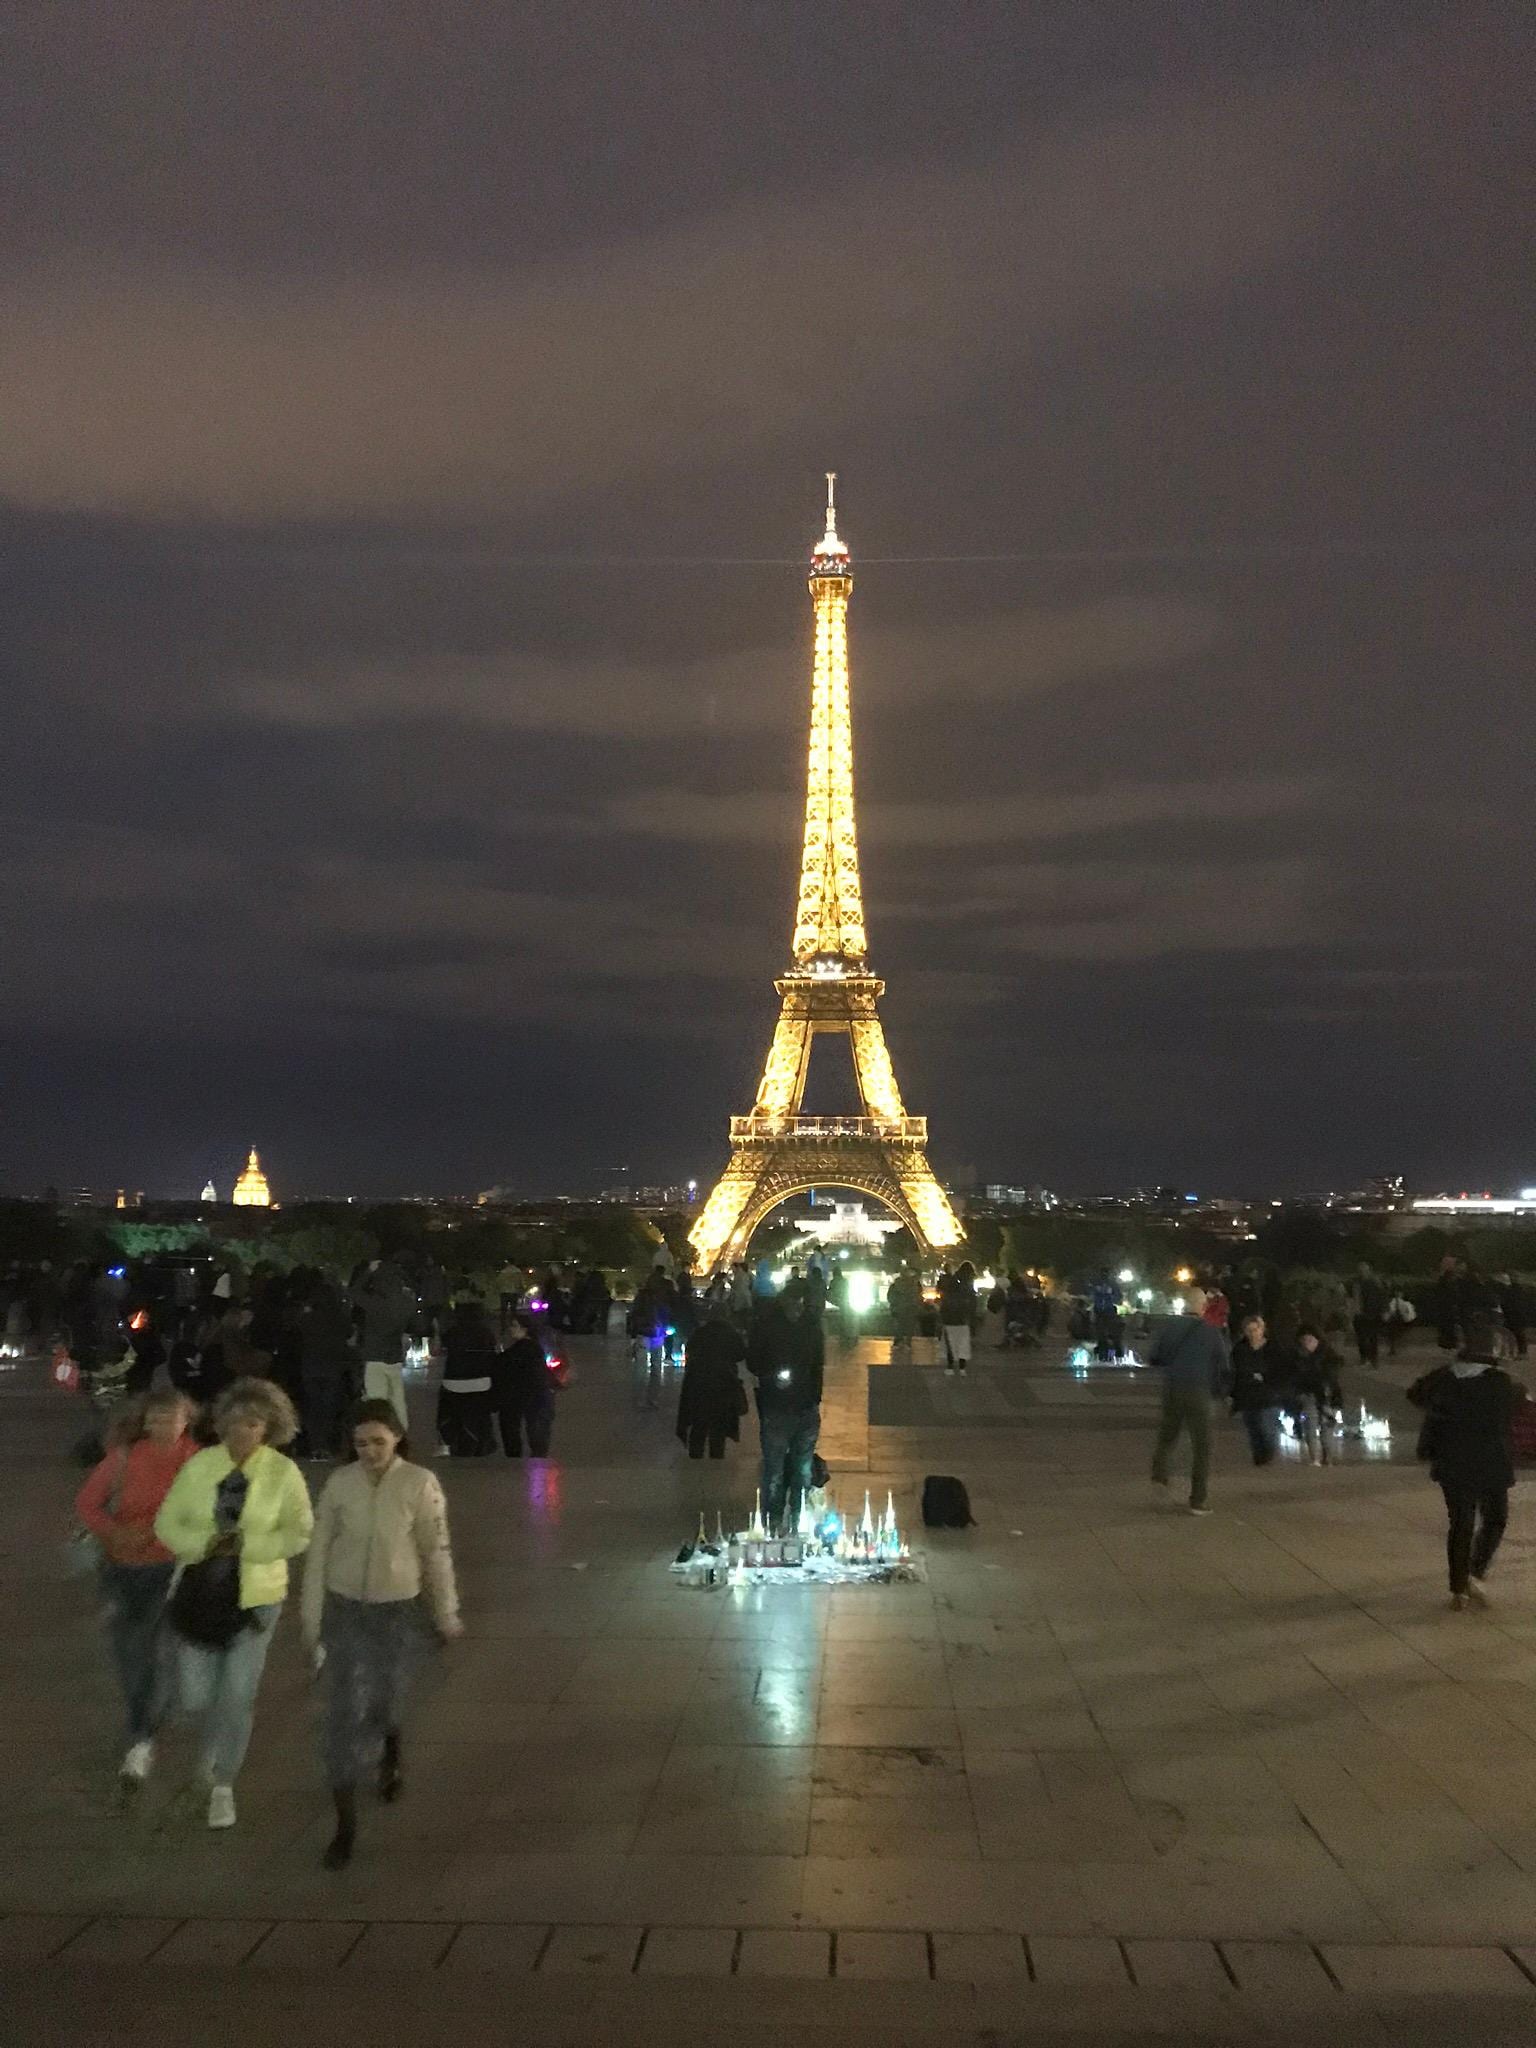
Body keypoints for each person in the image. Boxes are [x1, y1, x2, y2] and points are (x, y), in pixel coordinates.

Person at [302, 1399, 462, 1869]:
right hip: (345, 1607)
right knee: (341, 1714)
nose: (369, 1451)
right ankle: (345, 1824)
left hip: (397, 1609)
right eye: (360, 1443)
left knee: (386, 1698)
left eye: (378, 1441)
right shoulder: (340, 1483)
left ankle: (390, 1748)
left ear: (396, 1438)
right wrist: (311, 1618)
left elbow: (435, 1552)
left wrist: (445, 1611)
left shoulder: (419, 1483)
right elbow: (318, 1551)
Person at [154, 1377, 314, 1829]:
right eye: (235, 1422)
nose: (242, 1432)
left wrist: (249, 1546)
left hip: (256, 1598)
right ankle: (209, 1753)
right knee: (198, 1697)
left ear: (269, 1428)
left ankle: (222, 1785)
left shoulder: (282, 1472)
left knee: (238, 1695)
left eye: (253, 1424)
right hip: (200, 1593)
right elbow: (167, 1524)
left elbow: (299, 1532)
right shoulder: (201, 1466)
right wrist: (205, 1544)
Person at [75, 1389, 200, 1792]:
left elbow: (205, 1514)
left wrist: (160, 1534)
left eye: (170, 1418)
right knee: (130, 1654)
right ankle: (145, 1722)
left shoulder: (197, 1462)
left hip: (170, 1570)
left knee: (156, 1651)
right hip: (122, 1570)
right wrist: (114, 1533)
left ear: (186, 1421)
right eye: (155, 1418)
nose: (162, 1426)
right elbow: (88, 1503)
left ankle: (143, 1731)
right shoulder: (125, 1458)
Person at [1408, 1314, 1530, 1610]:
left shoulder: (1445, 1377)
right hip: (1491, 1461)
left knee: (1460, 1523)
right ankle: (1476, 1571)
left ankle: (1458, 1588)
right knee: (1495, 1518)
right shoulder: (1500, 1382)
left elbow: (1415, 1394)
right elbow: (1518, 1403)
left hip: (1452, 1461)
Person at [1149, 1287, 1230, 1515]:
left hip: (1173, 1389)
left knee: (1168, 1435)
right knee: (1202, 1447)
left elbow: (1155, 1357)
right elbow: (1223, 1366)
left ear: (1184, 1304)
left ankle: (1159, 1474)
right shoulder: (1212, 1332)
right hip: (1199, 1392)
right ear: (1203, 1307)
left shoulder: (1170, 1327)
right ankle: (1197, 1500)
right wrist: (1220, 1393)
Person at [747, 1292, 825, 1529]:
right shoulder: (811, 1328)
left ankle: (776, 1519)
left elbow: (753, 1362)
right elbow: (818, 1364)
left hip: (779, 1405)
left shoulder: (767, 1326)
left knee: (778, 1468)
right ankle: (794, 1518)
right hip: (799, 1406)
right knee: (798, 1468)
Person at [675, 1302, 748, 1459]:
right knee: (719, 1424)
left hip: (699, 1382)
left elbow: (690, 1351)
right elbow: (740, 1354)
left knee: (699, 1422)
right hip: (724, 1382)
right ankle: (716, 1455)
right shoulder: (731, 1334)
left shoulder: (700, 1332)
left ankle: (696, 1454)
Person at [350, 1258, 417, 1430]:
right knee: (398, 1400)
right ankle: (401, 1432)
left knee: (377, 1402)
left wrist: (368, 1271)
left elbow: (354, 1291)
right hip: (394, 1355)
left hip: (374, 1355)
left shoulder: (374, 1302)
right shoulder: (406, 1301)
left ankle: (381, 1433)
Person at [436, 1299, 498, 1456]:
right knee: (480, 1411)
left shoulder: (453, 1332)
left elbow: (437, 1349)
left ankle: (448, 1440)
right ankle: (481, 1440)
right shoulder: (486, 1333)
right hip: (481, 1382)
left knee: (448, 1405)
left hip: (454, 1382)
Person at [492, 1312, 556, 1457]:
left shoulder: (520, 1349)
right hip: (536, 1395)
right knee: (536, 1429)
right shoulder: (534, 1348)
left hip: (521, 1395)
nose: (511, 1329)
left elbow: (503, 1365)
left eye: (514, 1326)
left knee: (511, 1425)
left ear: (525, 1329)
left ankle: (515, 1456)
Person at [1229, 1314, 1284, 1467]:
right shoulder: (1240, 1348)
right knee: (1253, 1427)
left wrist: (1264, 1376)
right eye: (1249, 1330)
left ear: (1262, 1329)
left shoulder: (1273, 1348)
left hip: (1269, 1394)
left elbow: (1280, 1369)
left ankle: (1269, 1453)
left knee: (1267, 1426)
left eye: (1255, 1329)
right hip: (1248, 1394)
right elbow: (1238, 1370)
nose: (1252, 1333)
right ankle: (1259, 1457)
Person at [1290, 1325, 1345, 1464]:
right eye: (1304, 1340)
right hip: (1308, 1396)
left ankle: (1328, 1458)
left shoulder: (1329, 1356)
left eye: (1310, 1340)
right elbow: (1293, 1378)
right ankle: (1315, 1458)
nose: (1307, 1343)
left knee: (1327, 1430)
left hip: (1327, 1397)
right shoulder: (1297, 1357)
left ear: (1318, 1340)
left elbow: (1331, 1379)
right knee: (1310, 1427)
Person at [627, 1271, 673, 1410]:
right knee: (656, 1368)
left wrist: (633, 1336)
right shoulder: (663, 1297)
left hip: (644, 1334)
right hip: (657, 1335)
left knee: (641, 1369)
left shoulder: (642, 1296)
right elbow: (667, 1314)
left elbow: (634, 1316)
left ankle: (639, 1400)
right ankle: (652, 1399)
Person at [938, 1262, 978, 1376]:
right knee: (962, 1342)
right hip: (963, 1317)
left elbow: (946, 1297)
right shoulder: (969, 1284)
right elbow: (973, 1303)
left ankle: (950, 1366)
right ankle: (962, 1367)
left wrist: (943, 1313)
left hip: (950, 1316)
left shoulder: (953, 1280)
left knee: (950, 1342)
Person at [1351, 1262, 1388, 1368]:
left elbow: (1382, 1296)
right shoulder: (1357, 1283)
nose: (1362, 1273)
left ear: (1368, 1271)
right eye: (1361, 1271)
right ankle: (1365, 1358)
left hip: (1372, 1313)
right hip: (1361, 1313)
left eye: (1364, 1270)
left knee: (1372, 1337)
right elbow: (1354, 1297)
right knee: (1362, 1337)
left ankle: (1373, 1359)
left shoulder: (1375, 1282)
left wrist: (1384, 1310)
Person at [1089, 1269, 1124, 1362]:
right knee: (1103, 1333)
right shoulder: (1106, 1284)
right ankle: (1107, 1353)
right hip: (1103, 1310)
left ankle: (1108, 1353)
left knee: (1105, 1333)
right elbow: (1118, 1297)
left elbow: (1118, 1297)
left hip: (1106, 1310)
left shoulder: (1109, 1284)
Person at [886, 1269, 922, 1354]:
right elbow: (918, 1296)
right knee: (910, 1326)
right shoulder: (915, 1285)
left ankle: (898, 1341)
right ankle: (908, 1343)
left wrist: (894, 1305)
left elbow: (890, 1297)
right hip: (911, 1309)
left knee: (898, 1326)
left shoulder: (895, 1285)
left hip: (898, 1309)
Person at [1497, 1273, 1529, 1359]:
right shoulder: (1520, 1290)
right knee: (1518, 1334)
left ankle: (1513, 1352)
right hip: (1517, 1315)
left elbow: (1506, 1303)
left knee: (1512, 1334)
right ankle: (1521, 1352)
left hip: (1512, 1315)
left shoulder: (1510, 1290)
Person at [1385, 1287, 1417, 1358]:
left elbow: (1408, 1312)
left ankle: (1394, 1347)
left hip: (1397, 1319)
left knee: (1393, 1334)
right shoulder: (1395, 1302)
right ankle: (1394, 1347)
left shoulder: (1401, 1303)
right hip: (1396, 1320)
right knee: (1393, 1334)